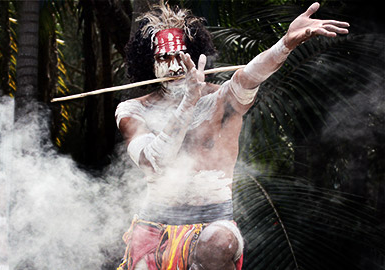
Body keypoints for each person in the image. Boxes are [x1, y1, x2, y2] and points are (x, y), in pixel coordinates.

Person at [115, 2, 349, 270]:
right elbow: (156, 160)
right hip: (154, 229)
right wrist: (188, 102)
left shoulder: (222, 99)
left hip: (213, 225)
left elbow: (250, 75)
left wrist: (285, 43)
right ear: (150, 63)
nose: (174, 67)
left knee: (216, 245)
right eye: (164, 58)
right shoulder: (133, 110)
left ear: (194, 57)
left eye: (180, 56)